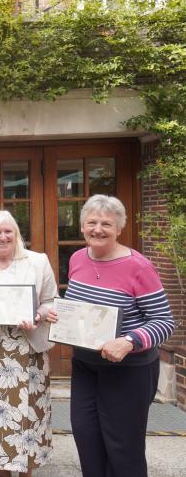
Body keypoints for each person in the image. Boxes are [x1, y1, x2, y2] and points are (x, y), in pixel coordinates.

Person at [63, 195, 174, 477]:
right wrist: (59, 314)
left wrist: (129, 341)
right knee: (87, 438)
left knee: (123, 449)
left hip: (128, 370)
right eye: (92, 222)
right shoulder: (77, 258)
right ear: (82, 226)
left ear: (119, 228)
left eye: (106, 224)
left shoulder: (139, 267)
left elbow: (164, 322)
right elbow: (80, 307)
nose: (98, 229)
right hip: (86, 366)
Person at [0, 210, 57, 476]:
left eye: (8, 231)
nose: (3, 237)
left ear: (16, 234)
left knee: (30, 415)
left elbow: (50, 300)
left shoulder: (37, 261)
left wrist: (38, 316)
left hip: (29, 349)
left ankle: (27, 470)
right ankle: (2, 470)